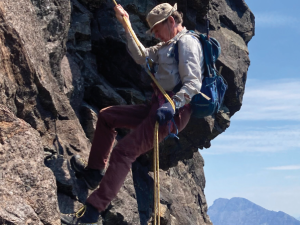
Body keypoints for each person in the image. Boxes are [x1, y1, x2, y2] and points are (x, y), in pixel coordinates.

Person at [61, 2, 204, 224]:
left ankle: (91, 212)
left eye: (157, 29)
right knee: (108, 116)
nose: (155, 34)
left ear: (171, 21)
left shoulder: (187, 43)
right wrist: (125, 23)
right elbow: (141, 56)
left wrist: (173, 104)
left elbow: (194, 83)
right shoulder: (166, 45)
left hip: (171, 113)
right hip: (156, 106)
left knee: (124, 152)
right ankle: (94, 173)